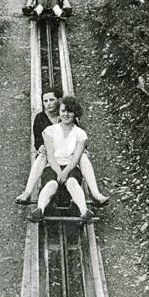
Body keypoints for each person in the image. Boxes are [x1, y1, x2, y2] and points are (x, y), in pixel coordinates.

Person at [15, 87, 109, 206]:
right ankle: (27, 192)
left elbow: (77, 135)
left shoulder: (68, 116)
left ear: (59, 100)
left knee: (83, 156)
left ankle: (96, 193)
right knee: (42, 156)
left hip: (68, 155)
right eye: (45, 101)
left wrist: (82, 149)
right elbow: (38, 139)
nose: (49, 104)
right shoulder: (40, 118)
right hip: (51, 154)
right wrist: (40, 147)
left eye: (52, 100)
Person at [28, 96, 94, 224]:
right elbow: (50, 155)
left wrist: (65, 172)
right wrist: (59, 173)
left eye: (70, 111)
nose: (66, 114)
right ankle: (40, 209)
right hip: (53, 166)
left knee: (72, 182)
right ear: (59, 112)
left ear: (75, 113)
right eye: (63, 111)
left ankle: (84, 211)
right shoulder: (49, 131)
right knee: (51, 184)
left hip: (71, 167)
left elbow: (76, 158)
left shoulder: (80, 133)